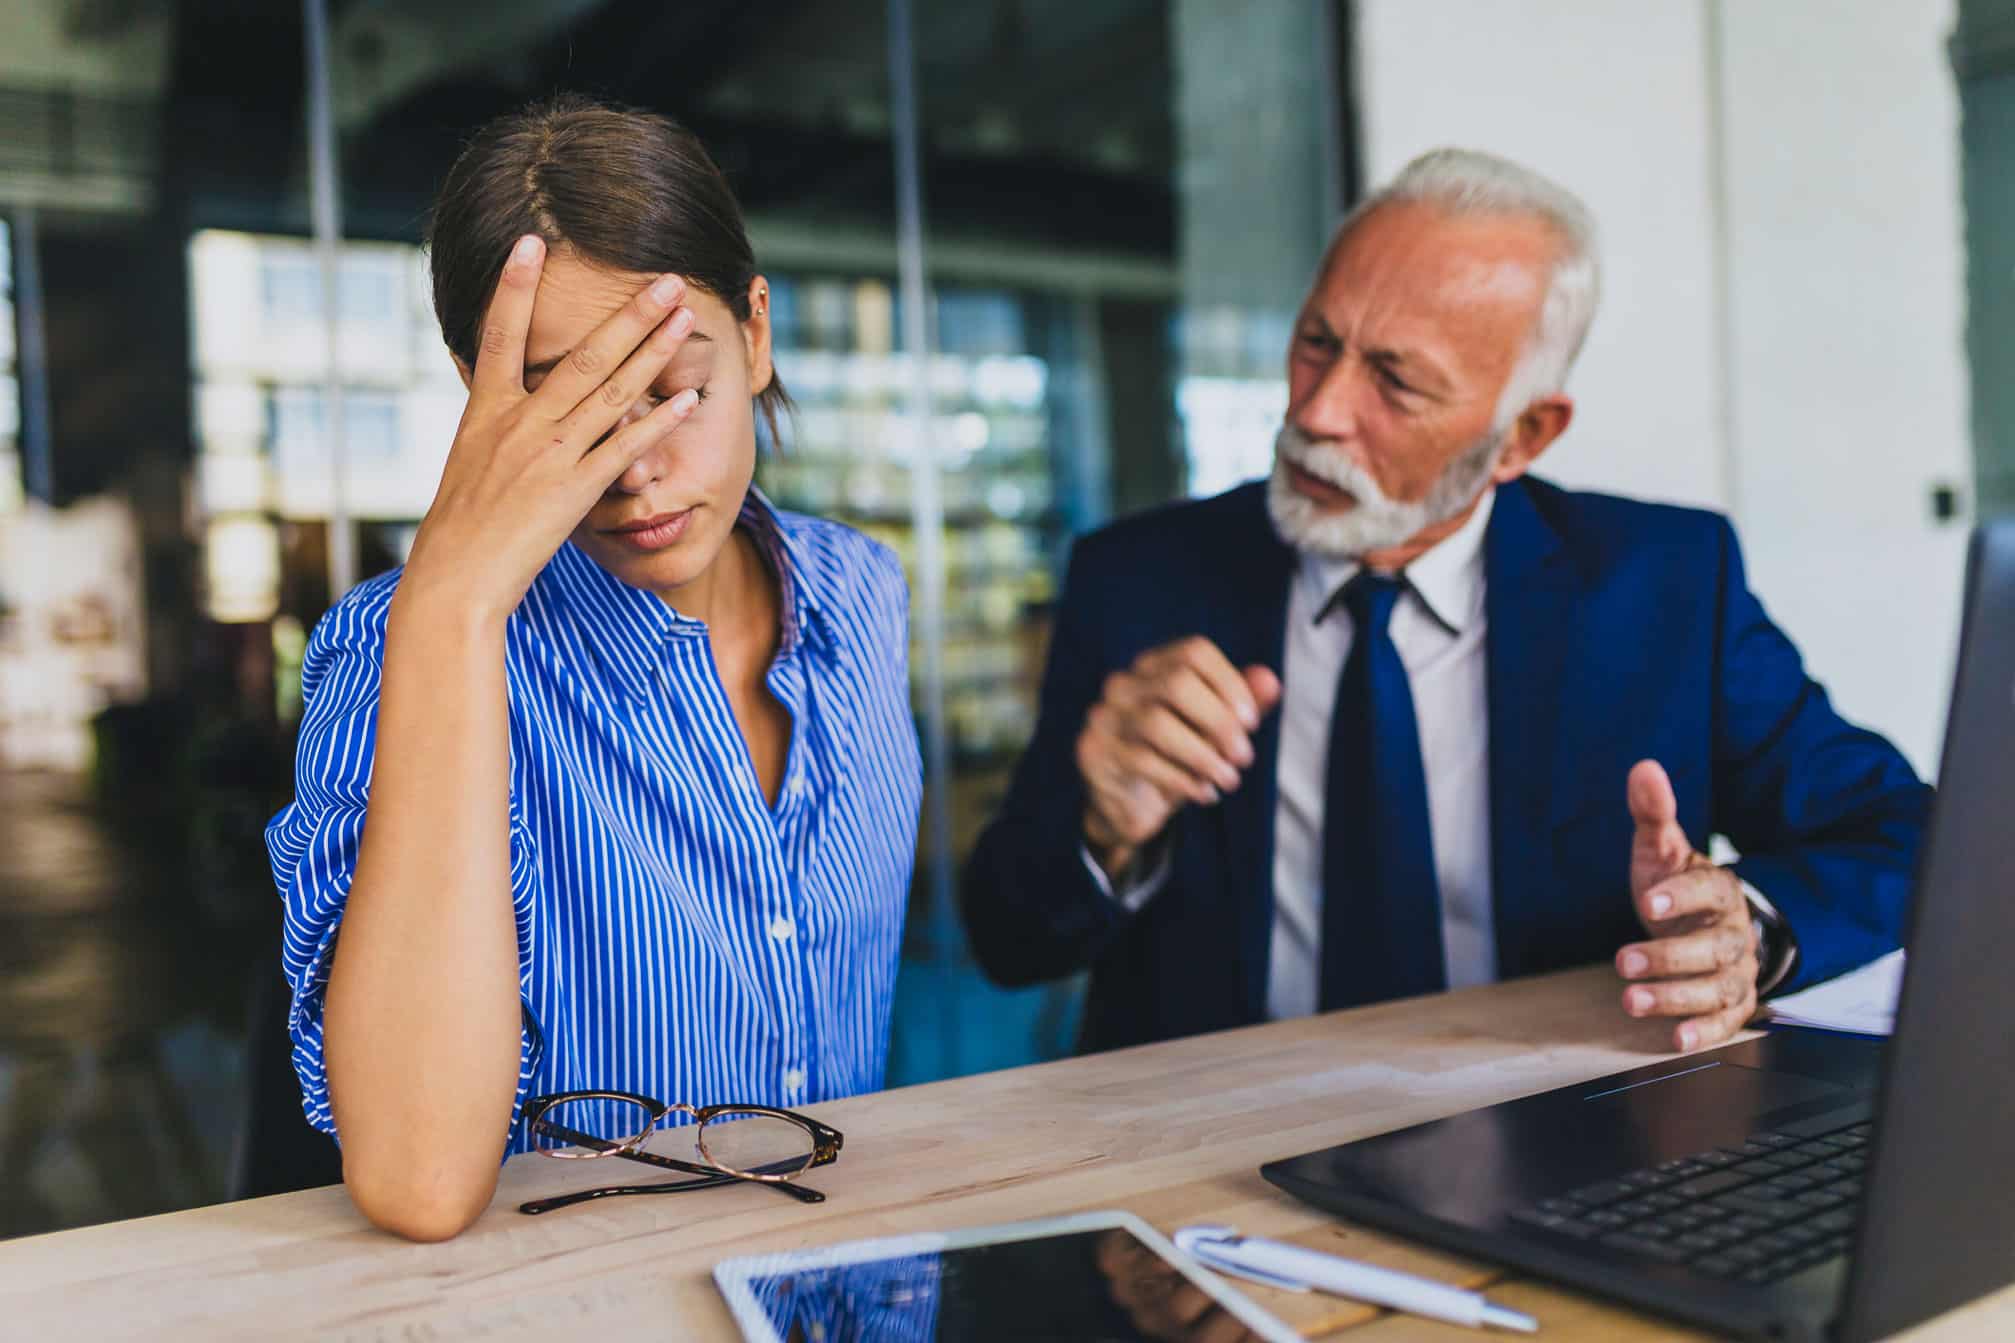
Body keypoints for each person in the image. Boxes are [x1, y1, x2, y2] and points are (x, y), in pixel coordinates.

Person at [961, 148, 1930, 1060]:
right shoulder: (1138, 577)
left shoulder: (1665, 586)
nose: (1316, 411)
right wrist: (1102, 831)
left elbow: (1904, 832)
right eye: (1315, 342)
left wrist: (1745, 932)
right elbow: (1007, 939)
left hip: (1557, 1140)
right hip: (1205, 1159)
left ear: (1521, 436)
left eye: (1393, 379)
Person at [265, 95, 921, 1241]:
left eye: (670, 389)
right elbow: (417, 1180)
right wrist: (454, 608)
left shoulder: (862, 592)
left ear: (756, 335)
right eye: (570, 404)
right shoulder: (396, 648)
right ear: (483, 397)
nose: (635, 470)